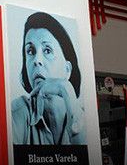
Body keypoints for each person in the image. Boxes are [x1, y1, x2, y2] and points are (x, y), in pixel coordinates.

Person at [11, 12, 85, 145]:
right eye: (30, 51)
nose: (37, 60)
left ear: (67, 69)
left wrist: (67, 89)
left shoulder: (85, 117)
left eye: (47, 50)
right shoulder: (16, 114)